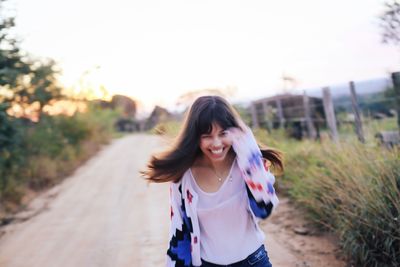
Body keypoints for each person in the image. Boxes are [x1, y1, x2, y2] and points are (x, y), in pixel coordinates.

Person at [142, 95, 283, 267]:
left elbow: (264, 209)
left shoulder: (249, 165)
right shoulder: (183, 177)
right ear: (195, 136)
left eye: (223, 133)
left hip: (254, 261)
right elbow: (179, 233)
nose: (216, 144)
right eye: (207, 135)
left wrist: (248, 148)